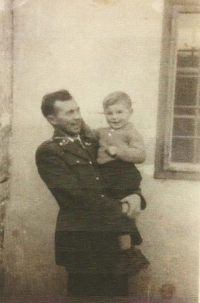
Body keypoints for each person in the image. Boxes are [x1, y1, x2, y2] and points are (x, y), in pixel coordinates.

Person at [35, 90, 149, 297]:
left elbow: (121, 172)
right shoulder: (49, 152)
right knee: (87, 296)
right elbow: (74, 197)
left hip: (113, 236)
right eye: (69, 113)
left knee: (117, 295)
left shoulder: (95, 141)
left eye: (77, 110)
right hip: (82, 242)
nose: (77, 116)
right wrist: (122, 207)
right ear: (52, 119)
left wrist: (136, 196)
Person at [96, 91, 146, 251]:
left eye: (119, 112)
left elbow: (140, 155)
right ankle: (128, 244)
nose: (114, 117)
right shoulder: (102, 132)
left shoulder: (131, 132)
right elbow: (87, 133)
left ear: (130, 113)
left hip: (122, 174)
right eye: (109, 113)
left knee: (122, 212)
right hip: (107, 176)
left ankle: (127, 251)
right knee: (112, 213)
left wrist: (118, 151)